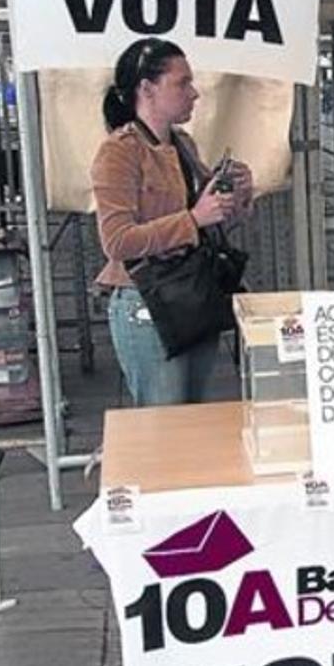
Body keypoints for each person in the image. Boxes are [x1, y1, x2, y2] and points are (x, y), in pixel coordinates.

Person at [91, 38, 254, 406]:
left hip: (191, 295)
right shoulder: (119, 151)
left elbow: (208, 224)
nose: (194, 93)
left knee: (188, 422)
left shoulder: (183, 145)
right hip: (148, 301)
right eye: (182, 83)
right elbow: (116, 241)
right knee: (164, 426)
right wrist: (193, 218)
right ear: (146, 89)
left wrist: (237, 196)